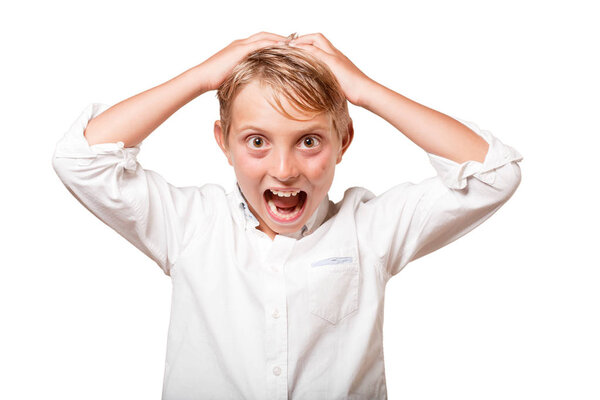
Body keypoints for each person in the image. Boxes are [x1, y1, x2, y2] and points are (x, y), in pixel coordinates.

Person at [52, 31, 523, 399]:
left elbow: (493, 175)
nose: (284, 170)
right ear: (224, 142)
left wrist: (363, 89)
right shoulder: (190, 225)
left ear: (343, 142)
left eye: (310, 140)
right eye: (257, 141)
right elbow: (80, 161)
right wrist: (200, 77)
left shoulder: (369, 229)